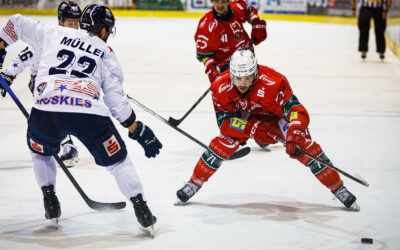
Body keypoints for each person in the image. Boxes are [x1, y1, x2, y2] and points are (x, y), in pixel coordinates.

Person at [0, 4, 162, 233]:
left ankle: (50, 199)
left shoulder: (53, 32)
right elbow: (116, 101)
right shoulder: (106, 53)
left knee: (40, 151)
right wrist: (135, 127)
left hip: (47, 111)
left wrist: (1, 47)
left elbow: (15, 22)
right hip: (89, 115)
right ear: (104, 31)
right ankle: (142, 208)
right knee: (118, 162)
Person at [176, 50, 360, 211]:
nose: (242, 83)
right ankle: (193, 184)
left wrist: (295, 132)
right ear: (231, 74)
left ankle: (338, 188)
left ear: (255, 73)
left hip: (276, 117)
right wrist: (250, 129)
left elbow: (297, 111)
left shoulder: (274, 82)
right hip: (246, 117)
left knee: (304, 148)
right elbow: (225, 123)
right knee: (222, 144)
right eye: (238, 78)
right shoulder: (220, 86)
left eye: (248, 77)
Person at [0, 1, 82, 168]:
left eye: (76, 23)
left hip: (62, 81)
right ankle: (66, 143)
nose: (73, 27)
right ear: (60, 22)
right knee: (54, 109)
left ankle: (63, 140)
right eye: (69, 23)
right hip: (41, 82)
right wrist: (9, 73)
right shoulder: (49, 37)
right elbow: (26, 55)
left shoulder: (79, 40)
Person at [194, 0, 267, 84]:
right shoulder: (207, 25)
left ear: (228, 2)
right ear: (212, 2)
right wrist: (212, 72)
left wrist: (256, 23)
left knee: (253, 85)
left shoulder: (237, 8)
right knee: (234, 92)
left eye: (223, 2)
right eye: (217, 2)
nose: (220, 5)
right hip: (227, 64)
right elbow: (205, 55)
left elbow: (249, 11)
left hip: (247, 54)